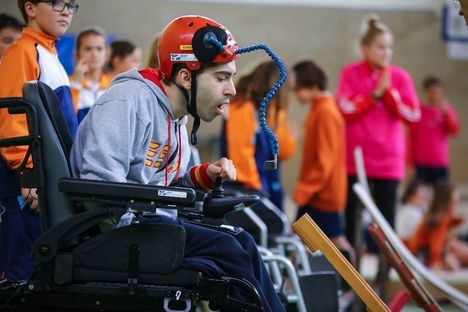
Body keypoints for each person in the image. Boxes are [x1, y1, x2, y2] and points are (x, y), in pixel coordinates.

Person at [70, 15, 285, 311]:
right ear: (186, 77)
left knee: (244, 242)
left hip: (151, 224)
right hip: (117, 235)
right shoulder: (126, 101)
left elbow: (164, 187)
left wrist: (202, 178)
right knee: (229, 249)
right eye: (221, 77)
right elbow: (98, 188)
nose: (232, 90)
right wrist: (152, 221)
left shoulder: (176, 117)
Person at [0, 0, 78, 286]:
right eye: (57, 3)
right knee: (19, 280)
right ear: (30, 8)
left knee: (38, 276)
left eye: (71, 5)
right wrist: (28, 172)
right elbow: (12, 116)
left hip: (47, 181)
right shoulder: (22, 50)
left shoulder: (49, 53)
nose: (66, 11)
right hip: (27, 185)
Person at [336, 14, 420, 247]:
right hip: (356, 161)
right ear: (365, 48)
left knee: (386, 224)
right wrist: (373, 96)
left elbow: (413, 115)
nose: (387, 52)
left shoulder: (401, 78)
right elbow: (344, 109)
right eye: (381, 47)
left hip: (388, 163)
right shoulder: (350, 73)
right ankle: (350, 278)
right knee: (352, 221)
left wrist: (390, 95)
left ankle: (384, 276)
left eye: (389, 47)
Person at [291, 59, 354, 258]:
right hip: (319, 192)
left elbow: (324, 162)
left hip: (322, 194)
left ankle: (351, 284)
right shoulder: (319, 108)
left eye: (297, 88)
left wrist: (304, 190)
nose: (294, 93)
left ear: (308, 83)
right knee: (310, 242)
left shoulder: (325, 111)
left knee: (332, 243)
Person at [221, 60, 296, 211]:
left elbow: (283, 150)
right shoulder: (242, 106)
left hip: (264, 185)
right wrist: (257, 190)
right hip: (245, 189)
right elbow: (241, 157)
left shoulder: (267, 109)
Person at [408, 76, 460, 185]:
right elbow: (411, 138)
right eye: (432, 92)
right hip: (421, 163)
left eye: (438, 92)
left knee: (442, 196)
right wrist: (410, 164)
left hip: (440, 163)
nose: (435, 95)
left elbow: (455, 131)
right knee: (422, 196)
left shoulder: (446, 110)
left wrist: (446, 114)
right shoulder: (419, 111)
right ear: (426, 92)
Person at [409, 182, 468, 270]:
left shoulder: (445, 217)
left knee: (461, 249)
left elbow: (448, 242)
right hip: (423, 256)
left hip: (437, 251)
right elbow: (435, 248)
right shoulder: (438, 220)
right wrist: (441, 262)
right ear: (444, 202)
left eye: (456, 201)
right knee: (456, 258)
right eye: (453, 202)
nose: (455, 205)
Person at [70, 26, 112, 123]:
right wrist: (75, 86)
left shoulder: (113, 85)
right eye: (88, 49)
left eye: (99, 49)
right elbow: (66, 119)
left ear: (107, 54)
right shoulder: (67, 84)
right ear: (77, 54)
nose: (94, 54)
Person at [395, 179, 427, 245]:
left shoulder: (409, 209)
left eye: (424, 197)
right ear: (411, 196)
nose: (423, 200)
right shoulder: (411, 212)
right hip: (407, 246)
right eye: (420, 197)